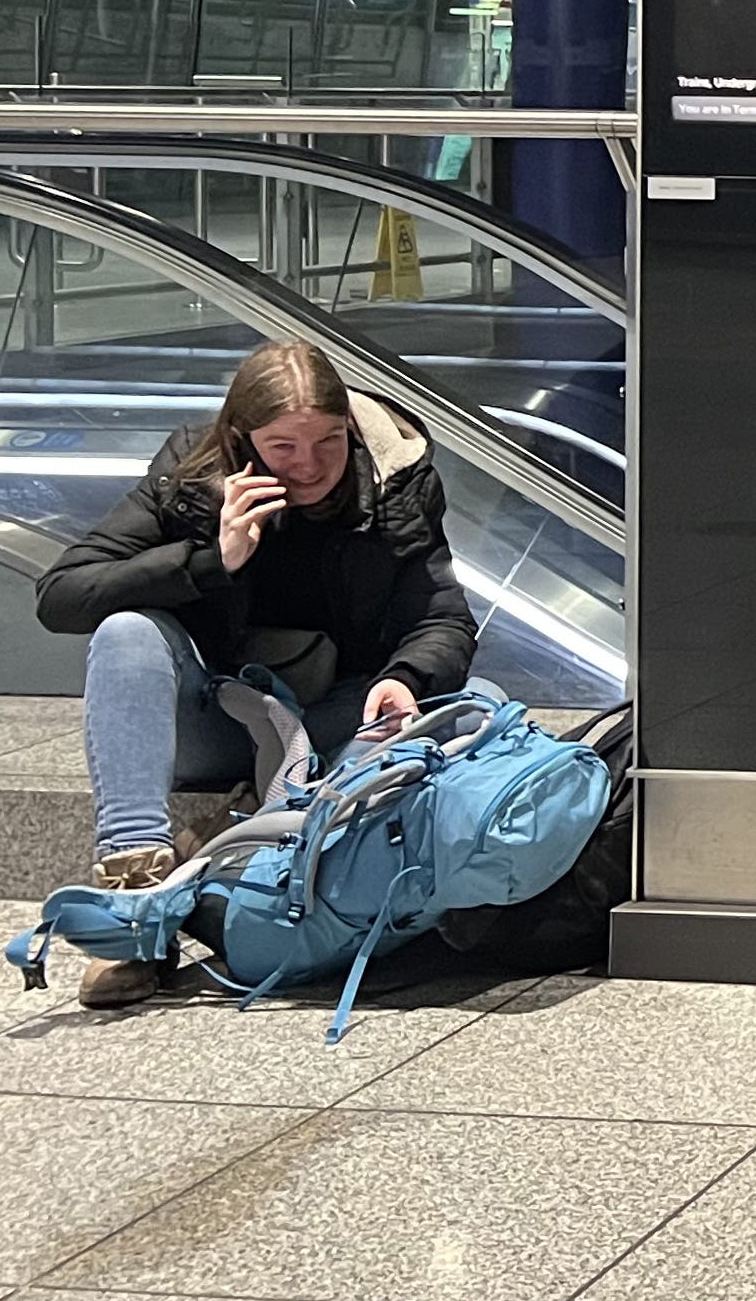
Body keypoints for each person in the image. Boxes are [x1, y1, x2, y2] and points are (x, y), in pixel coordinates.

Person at [33, 341, 478, 1009]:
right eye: (283, 448)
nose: (310, 466)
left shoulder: (395, 483)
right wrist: (213, 557)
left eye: (328, 441)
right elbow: (61, 595)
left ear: (350, 430)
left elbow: (443, 618)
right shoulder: (191, 476)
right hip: (219, 719)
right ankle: (133, 897)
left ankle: (252, 845)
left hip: (332, 718)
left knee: (475, 705)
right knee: (127, 633)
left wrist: (408, 677)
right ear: (244, 440)